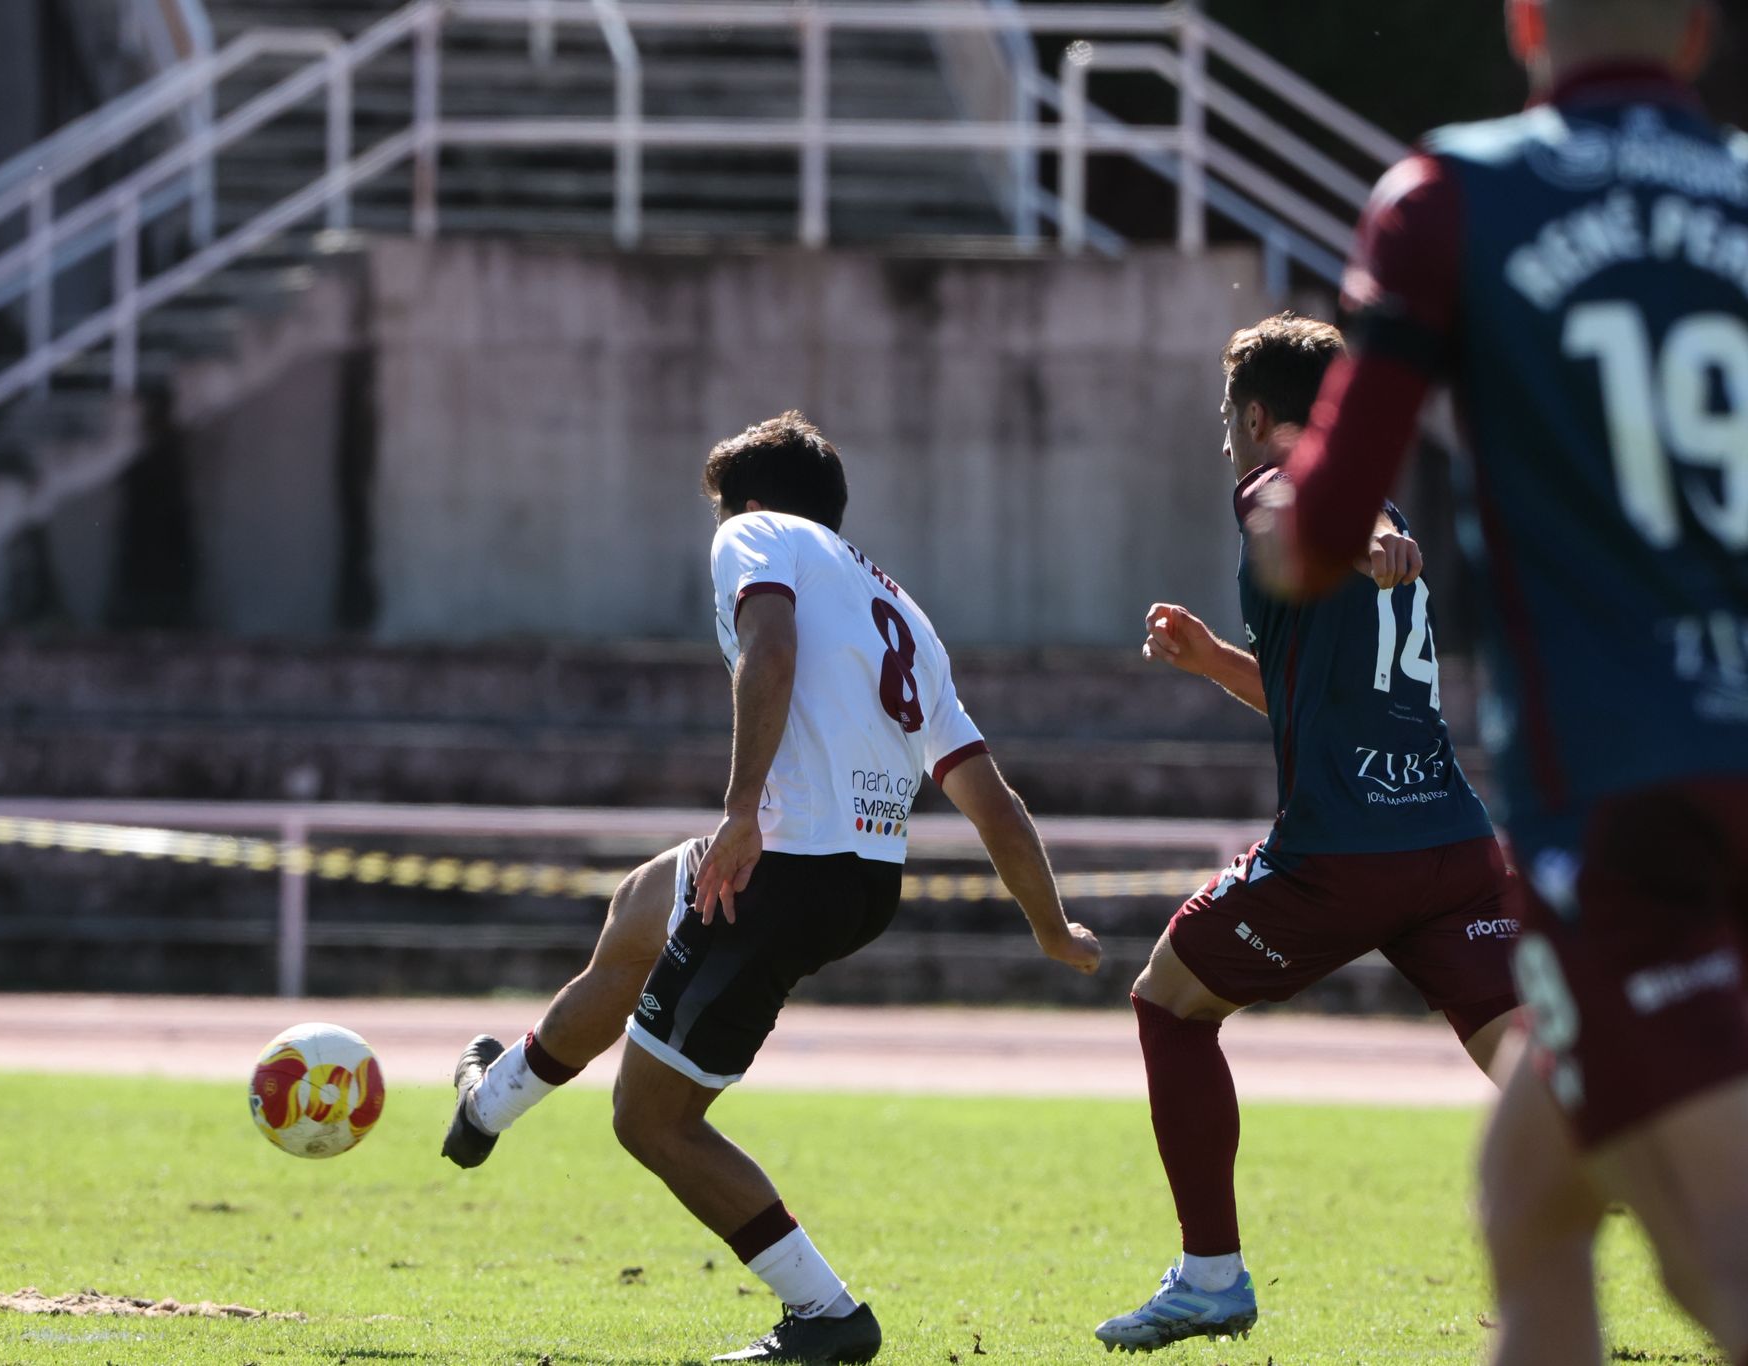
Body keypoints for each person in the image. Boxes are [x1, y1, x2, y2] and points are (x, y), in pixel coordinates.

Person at [1250, 1, 1748, 1360]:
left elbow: (1318, 533)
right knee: (1531, 1198)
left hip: (1624, 794)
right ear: (1697, 33)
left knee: (1720, 1268)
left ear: (1525, 21)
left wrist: (1279, 502)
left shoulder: (1453, 193)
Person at [438, 411, 1103, 1364]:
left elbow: (772, 650)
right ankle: (484, 1108)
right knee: (637, 913)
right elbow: (988, 795)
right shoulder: (904, 612)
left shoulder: (753, 535)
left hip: (782, 866)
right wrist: (1051, 924)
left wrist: (742, 811)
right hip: (862, 877)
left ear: (749, 505)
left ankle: (828, 1316)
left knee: (650, 1119)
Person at [1091, 314, 1520, 1353]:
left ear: (1250, 413)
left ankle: (1207, 1280)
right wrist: (1209, 661)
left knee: (1168, 1003)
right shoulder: (1372, 506)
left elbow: (1280, 504)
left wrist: (1359, 541)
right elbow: (1321, 696)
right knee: (1541, 1069)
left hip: (1341, 850)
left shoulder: (1283, 490)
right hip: (1452, 844)